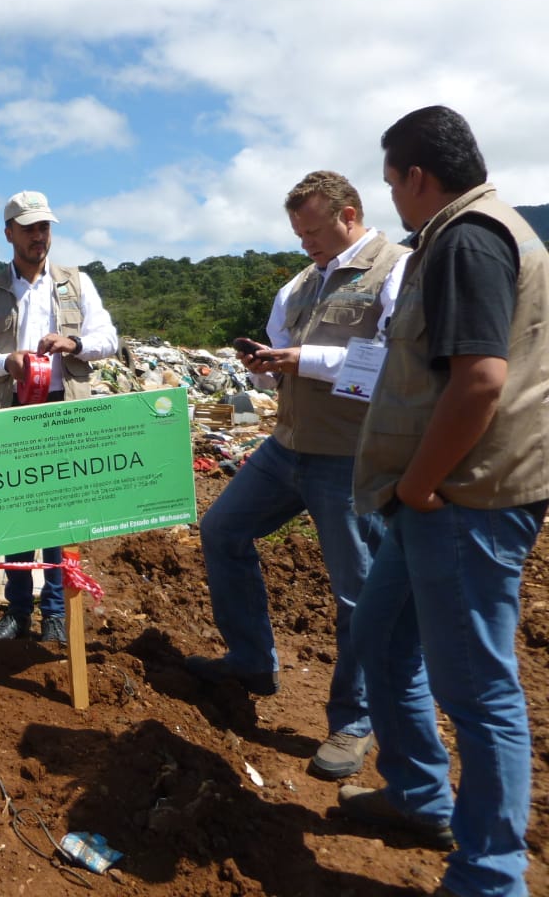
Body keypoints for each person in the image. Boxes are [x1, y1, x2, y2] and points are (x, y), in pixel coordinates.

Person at [335, 106, 549, 897]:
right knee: (382, 635)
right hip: (441, 497)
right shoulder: (488, 230)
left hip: (464, 499)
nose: (395, 198)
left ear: (417, 176)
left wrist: (420, 483)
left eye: (393, 182)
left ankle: (489, 877)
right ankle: (421, 796)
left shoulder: (465, 239)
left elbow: (481, 378)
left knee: (479, 690)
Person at [187, 171, 409, 780]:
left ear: (350, 214)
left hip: (351, 455)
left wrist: (301, 360)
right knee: (222, 530)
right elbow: (277, 361)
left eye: (314, 230)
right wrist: (263, 366)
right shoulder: (300, 284)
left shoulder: (396, 270)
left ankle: (354, 721)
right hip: (287, 445)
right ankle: (252, 659)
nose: (306, 243)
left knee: (356, 592)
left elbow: (396, 363)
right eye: (298, 233)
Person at [0, 190, 119, 644]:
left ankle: (53, 612)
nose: (38, 237)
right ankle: (17, 610)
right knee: (16, 514)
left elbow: (108, 337)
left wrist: (75, 345)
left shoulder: (76, 283)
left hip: (62, 412)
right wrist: (6, 363)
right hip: (13, 412)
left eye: (44, 227)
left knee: (61, 516)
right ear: (8, 233)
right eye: (28, 228)